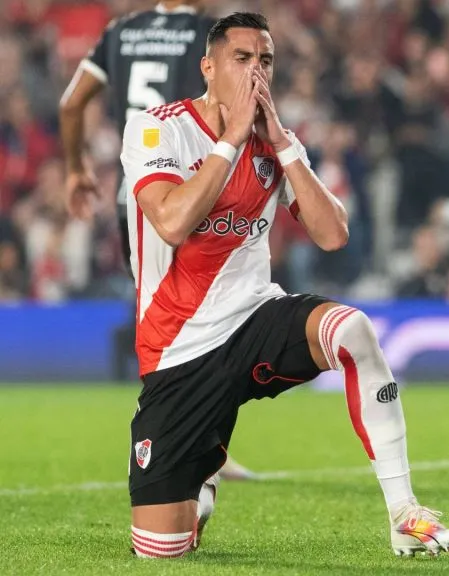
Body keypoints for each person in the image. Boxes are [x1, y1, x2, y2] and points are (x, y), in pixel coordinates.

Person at [121, 12, 449, 558]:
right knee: (163, 550)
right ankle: (201, 480)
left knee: (354, 330)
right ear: (209, 67)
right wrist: (232, 140)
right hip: (176, 350)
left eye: (266, 60)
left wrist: (281, 143)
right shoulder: (156, 127)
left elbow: (333, 234)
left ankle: (404, 512)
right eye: (242, 59)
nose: (256, 72)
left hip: (254, 318)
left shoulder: (275, 142)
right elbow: (172, 221)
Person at [59, 0, 256, 482]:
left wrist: (75, 168)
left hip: (137, 194)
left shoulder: (119, 31)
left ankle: (187, 443)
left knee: (161, 316)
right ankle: (193, 445)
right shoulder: (207, 33)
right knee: (207, 317)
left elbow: (70, 104)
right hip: (193, 188)